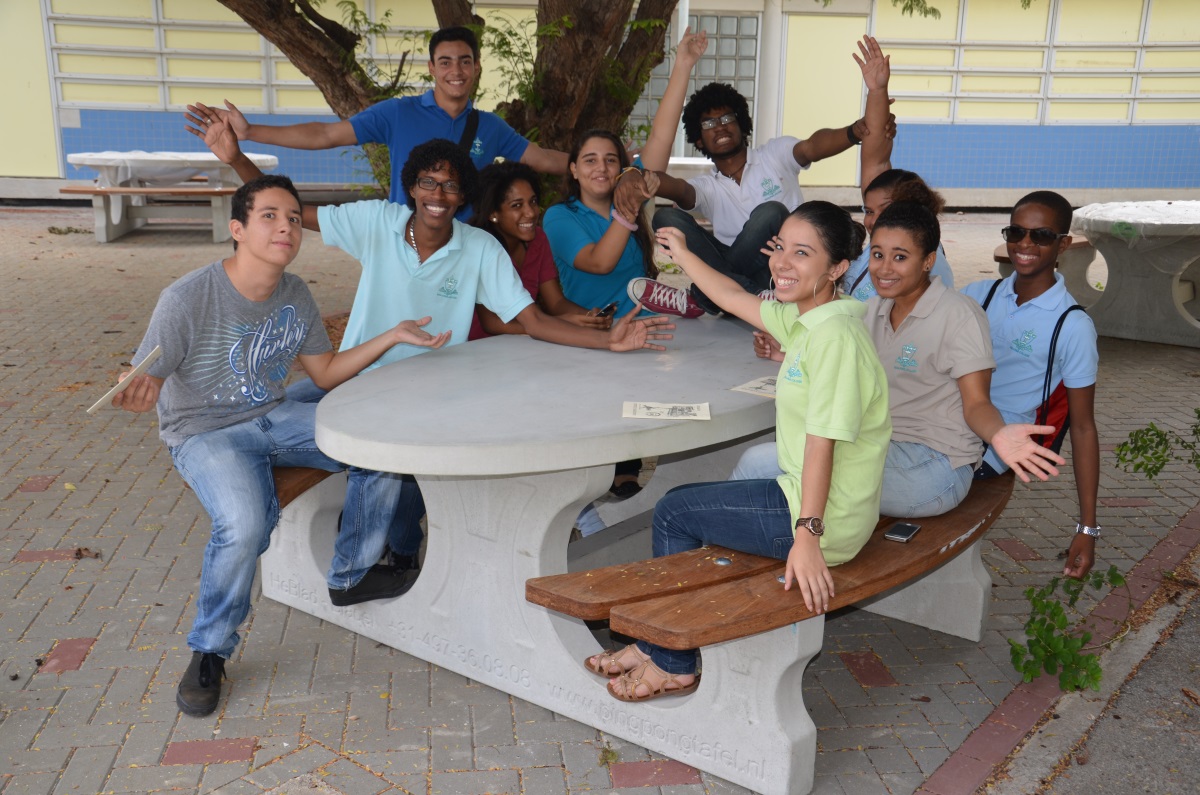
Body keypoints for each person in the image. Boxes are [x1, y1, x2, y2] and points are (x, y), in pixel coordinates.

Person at [188, 109, 675, 605]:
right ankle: (256, 490)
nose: (437, 195)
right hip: (353, 375)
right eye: (428, 183)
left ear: (463, 197)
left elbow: (534, 322)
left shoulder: (479, 247)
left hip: (430, 391)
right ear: (411, 187)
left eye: (449, 186)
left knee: (389, 458)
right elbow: (293, 212)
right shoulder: (377, 220)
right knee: (268, 415)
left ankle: (380, 557)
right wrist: (235, 158)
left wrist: (609, 341)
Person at [112, 174, 451, 717]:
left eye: (294, 218)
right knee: (243, 524)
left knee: (381, 450)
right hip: (204, 432)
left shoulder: (294, 293)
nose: (286, 227)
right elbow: (142, 373)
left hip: (273, 415)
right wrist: (136, 385)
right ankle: (209, 651)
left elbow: (325, 371)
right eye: (270, 215)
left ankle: (350, 573)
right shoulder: (186, 298)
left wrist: (390, 335)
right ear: (238, 230)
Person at [583, 201, 892, 701]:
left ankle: (674, 663)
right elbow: (729, 292)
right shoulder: (808, 320)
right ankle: (652, 643)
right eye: (781, 249)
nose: (782, 264)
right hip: (809, 498)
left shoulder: (834, 337)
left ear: (836, 269)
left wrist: (808, 538)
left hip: (822, 516)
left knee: (674, 513)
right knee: (697, 503)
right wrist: (682, 254)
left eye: (803, 253)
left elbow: (822, 446)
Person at [736, 201, 1064, 516]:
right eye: (878, 254)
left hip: (933, 466)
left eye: (900, 257)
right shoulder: (873, 309)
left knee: (768, 465)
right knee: (782, 461)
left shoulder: (959, 315)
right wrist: (785, 353)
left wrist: (998, 434)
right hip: (878, 446)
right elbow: (848, 363)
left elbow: (976, 403)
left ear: (928, 261)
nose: (885, 268)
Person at [186, 26, 566, 218]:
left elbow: (545, 159)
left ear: (477, 67)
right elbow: (325, 134)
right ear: (432, 68)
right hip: (404, 245)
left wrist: (612, 160)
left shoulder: (491, 127)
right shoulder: (397, 113)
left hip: (467, 251)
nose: (456, 70)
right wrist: (251, 133)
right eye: (446, 62)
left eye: (465, 61)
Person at [615, 60, 887, 316]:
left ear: (742, 124)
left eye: (726, 118)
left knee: (771, 212)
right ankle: (750, 295)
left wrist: (852, 133)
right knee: (666, 217)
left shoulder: (775, 155)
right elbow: (676, 188)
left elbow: (812, 146)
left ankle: (701, 297)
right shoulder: (708, 186)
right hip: (752, 280)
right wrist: (634, 174)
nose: (719, 127)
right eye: (708, 123)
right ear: (699, 141)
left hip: (779, 269)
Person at [962, 191, 1100, 579]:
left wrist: (1086, 528)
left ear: (1063, 244)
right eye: (1016, 232)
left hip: (987, 452)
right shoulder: (978, 295)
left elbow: (1084, 426)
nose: (1024, 244)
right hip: (943, 427)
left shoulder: (1071, 326)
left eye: (1040, 235)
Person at [544, 28, 710, 320]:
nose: (601, 168)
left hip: (645, 327)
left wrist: (683, 64)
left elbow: (660, 137)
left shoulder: (629, 190)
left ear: (620, 168)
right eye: (590, 160)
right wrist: (630, 207)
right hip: (593, 335)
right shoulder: (559, 216)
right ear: (573, 169)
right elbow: (599, 263)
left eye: (610, 160)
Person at [842, 35, 954, 301]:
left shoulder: (921, 257)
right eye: (869, 211)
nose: (874, 219)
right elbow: (874, 159)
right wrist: (877, 91)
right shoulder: (886, 245)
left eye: (885, 210)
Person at [466, 161, 610, 339]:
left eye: (533, 201)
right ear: (493, 213)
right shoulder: (479, 245)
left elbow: (555, 302)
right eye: (517, 205)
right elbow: (492, 323)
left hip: (523, 347)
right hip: (476, 351)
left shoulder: (537, 239)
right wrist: (560, 324)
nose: (531, 212)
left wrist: (589, 317)